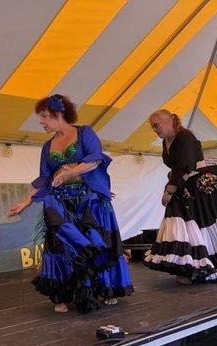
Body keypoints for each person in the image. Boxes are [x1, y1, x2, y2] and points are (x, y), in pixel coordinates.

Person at [9, 94, 133, 313]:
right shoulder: (48, 146)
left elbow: (95, 159)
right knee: (63, 245)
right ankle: (64, 294)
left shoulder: (84, 133)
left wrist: (71, 172)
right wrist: (26, 201)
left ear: (60, 114)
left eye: (46, 116)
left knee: (95, 243)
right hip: (60, 201)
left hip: (88, 199)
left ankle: (104, 289)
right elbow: (44, 179)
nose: (42, 121)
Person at [144, 109, 217, 283]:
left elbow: (185, 165)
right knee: (189, 227)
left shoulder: (185, 137)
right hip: (183, 186)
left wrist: (169, 190)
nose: (154, 129)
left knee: (201, 224)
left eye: (156, 124)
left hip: (197, 188)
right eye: (152, 126)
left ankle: (206, 267)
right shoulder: (166, 142)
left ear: (169, 121)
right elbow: (178, 168)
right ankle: (194, 267)